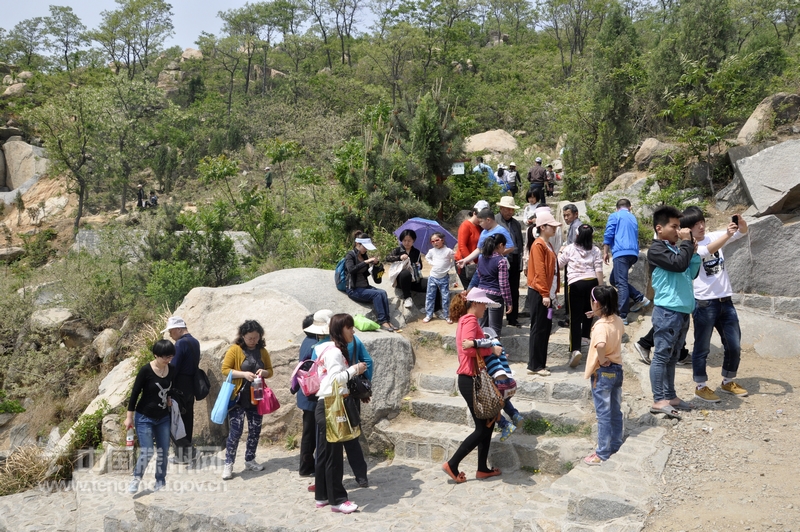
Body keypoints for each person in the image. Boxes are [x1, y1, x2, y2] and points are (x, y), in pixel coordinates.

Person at [681, 207, 750, 402]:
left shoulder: (714, 236)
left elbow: (742, 233)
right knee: (702, 348)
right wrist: (728, 235)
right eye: (695, 224)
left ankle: (728, 381)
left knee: (734, 344)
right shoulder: (691, 246)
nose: (701, 226)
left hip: (725, 301)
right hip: (704, 303)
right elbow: (706, 251)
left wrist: (742, 225)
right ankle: (700, 386)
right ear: (688, 229)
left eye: (702, 221)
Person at [442, 288, 503, 484]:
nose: (485, 307)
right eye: (483, 303)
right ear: (475, 303)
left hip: (471, 378)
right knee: (482, 428)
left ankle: (482, 469)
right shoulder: (470, 320)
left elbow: (472, 346)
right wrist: (491, 350)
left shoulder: (466, 320)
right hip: (471, 379)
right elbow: (468, 349)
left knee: (488, 423)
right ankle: (452, 464)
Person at [308, 311, 373, 489]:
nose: (353, 331)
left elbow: (316, 375)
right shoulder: (341, 347)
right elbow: (367, 361)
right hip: (345, 397)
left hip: (327, 399)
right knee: (350, 439)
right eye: (350, 328)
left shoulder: (318, 348)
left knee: (325, 445)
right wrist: (364, 388)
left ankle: (321, 484)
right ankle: (359, 477)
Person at [647, 206, 700, 420]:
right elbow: (678, 266)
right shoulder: (657, 250)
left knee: (672, 357)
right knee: (661, 356)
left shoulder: (677, 249)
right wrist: (686, 244)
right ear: (660, 228)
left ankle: (671, 396)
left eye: (680, 227)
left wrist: (692, 252)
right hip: (667, 311)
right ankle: (659, 400)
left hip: (681, 311)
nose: (679, 231)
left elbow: (691, 272)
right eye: (675, 226)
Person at [221, 320, 274, 480]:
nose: (253, 341)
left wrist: (264, 372)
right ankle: (228, 463)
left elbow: (270, 371)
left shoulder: (262, 351)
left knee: (255, 429)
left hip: (256, 396)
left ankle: (250, 459)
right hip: (238, 397)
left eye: (256, 338)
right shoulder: (235, 350)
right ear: (242, 336)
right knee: (235, 432)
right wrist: (243, 374)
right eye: (250, 338)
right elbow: (225, 370)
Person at [126, 339, 176, 493]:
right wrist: (129, 417)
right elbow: (135, 394)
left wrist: (169, 399)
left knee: (163, 450)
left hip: (163, 417)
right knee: (147, 451)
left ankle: (160, 480)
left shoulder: (172, 369)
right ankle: (136, 478)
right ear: (156, 355)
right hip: (144, 417)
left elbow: (171, 388)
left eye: (170, 357)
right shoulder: (145, 371)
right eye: (165, 357)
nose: (168, 360)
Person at [583, 285, 625, 466]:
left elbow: (600, 344)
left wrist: (601, 360)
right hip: (617, 370)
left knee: (603, 414)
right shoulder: (617, 320)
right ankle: (615, 444)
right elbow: (613, 329)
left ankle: (602, 452)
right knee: (615, 410)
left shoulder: (600, 326)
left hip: (603, 372)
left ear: (596, 303)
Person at [558, 224, 603, 368]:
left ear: (577, 236)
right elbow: (599, 270)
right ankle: (585, 337)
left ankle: (575, 349)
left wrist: (560, 252)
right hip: (592, 283)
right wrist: (600, 288)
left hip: (575, 283)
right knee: (589, 312)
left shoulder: (570, 248)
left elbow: (559, 265)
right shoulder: (595, 250)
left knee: (575, 318)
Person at [603, 199, 650, 325]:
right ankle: (639, 298)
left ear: (616, 207)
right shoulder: (633, 217)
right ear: (630, 207)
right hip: (632, 253)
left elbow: (609, 234)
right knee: (614, 279)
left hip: (621, 252)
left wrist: (605, 251)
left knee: (621, 282)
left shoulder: (615, 215)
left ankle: (622, 315)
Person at [527, 211, 561, 376]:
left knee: (545, 327)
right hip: (540, 293)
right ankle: (535, 365)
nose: (554, 228)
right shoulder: (539, 245)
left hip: (547, 293)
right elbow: (540, 271)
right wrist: (545, 294)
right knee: (539, 328)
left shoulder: (547, 244)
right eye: (551, 226)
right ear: (542, 227)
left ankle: (539, 363)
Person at [162, 316, 200, 464]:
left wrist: (166, 386)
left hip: (179, 386)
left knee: (174, 420)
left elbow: (174, 368)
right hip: (191, 385)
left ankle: (187, 452)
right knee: (187, 418)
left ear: (179, 329)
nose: (170, 334)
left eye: (171, 331)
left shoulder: (179, 344)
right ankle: (185, 456)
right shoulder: (195, 341)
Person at [477, 327, 521, 442]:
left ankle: (505, 424)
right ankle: (515, 415)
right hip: (511, 383)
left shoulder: (487, 346)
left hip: (499, 383)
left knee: (492, 405)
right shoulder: (499, 345)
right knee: (504, 400)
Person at [345, 232, 395, 332]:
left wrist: (376, 266)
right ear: (357, 245)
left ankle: (388, 321)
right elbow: (351, 270)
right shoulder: (350, 255)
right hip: (354, 289)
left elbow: (370, 275)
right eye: (365, 247)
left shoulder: (364, 256)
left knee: (383, 293)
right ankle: (382, 322)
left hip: (365, 287)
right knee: (377, 294)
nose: (366, 249)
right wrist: (366, 262)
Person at [296, 312, 324, 478]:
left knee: (309, 432)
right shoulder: (315, 345)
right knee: (310, 433)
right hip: (311, 394)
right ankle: (306, 467)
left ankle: (307, 466)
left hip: (306, 393)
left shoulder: (307, 341)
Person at [470, 235, 512, 336]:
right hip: (495, 296)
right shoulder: (501, 261)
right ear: (501, 245)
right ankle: (493, 351)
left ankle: (481, 350)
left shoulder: (481, 258)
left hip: (481, 294)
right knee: (494, 329)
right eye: (505, 246)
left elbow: (479, 275)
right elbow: (503, 283)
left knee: (482, 327)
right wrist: (508, 301)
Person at [495, 196, 524, 326]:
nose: (510, 212)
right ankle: (496, 316)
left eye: (512, 210)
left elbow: (520, 244)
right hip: (499, 260)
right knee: (498, 289)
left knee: (514, 290)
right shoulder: (495, 221)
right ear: (501, 208)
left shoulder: (516, 224)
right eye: (508, 209)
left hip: (514, 260)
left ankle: (513, 318)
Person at [385, 229, 424, 309]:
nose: (406, 243)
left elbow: (421, 266)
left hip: (414, 279)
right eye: (404, 240)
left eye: (409, 240)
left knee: (431, 283)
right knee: (405, 273)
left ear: (413, 240)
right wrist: (399, 257)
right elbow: (387, 258)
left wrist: (418, 265)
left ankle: (435, 308)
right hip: (401, 280)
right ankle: (407, 298)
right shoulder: (398, 250)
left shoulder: (416, 252)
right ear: (401, 240)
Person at [558, 204, 583, 328]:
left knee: (571, 293)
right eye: (564, 216)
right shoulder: (575, 225)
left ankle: (570, 318)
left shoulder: (577, 226)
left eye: (568, 215)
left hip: (573, 264)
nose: (566, 218)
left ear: (576, 214)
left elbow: (574, 246)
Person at [423, 232, 455, 323]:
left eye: (437, 240)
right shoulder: (431, 251)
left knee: (445, 297)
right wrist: (432, 263)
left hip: (444, 277)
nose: (435, 243)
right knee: (430, 296)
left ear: (442, 240)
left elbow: (455, 259)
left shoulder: (448, 251)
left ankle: (447, 315)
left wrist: (450, 265)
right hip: (433, 277)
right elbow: (427, 258)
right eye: (432, 241)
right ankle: (429, 314)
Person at [455, 203, 484, 288]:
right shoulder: (465, 225)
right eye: (479, 216)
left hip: (476, 263)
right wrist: (470, 261)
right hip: (465, 263)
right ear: (474, 213)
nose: (480, 219)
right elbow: (462, 245)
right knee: (469, 290)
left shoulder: (480, 227)